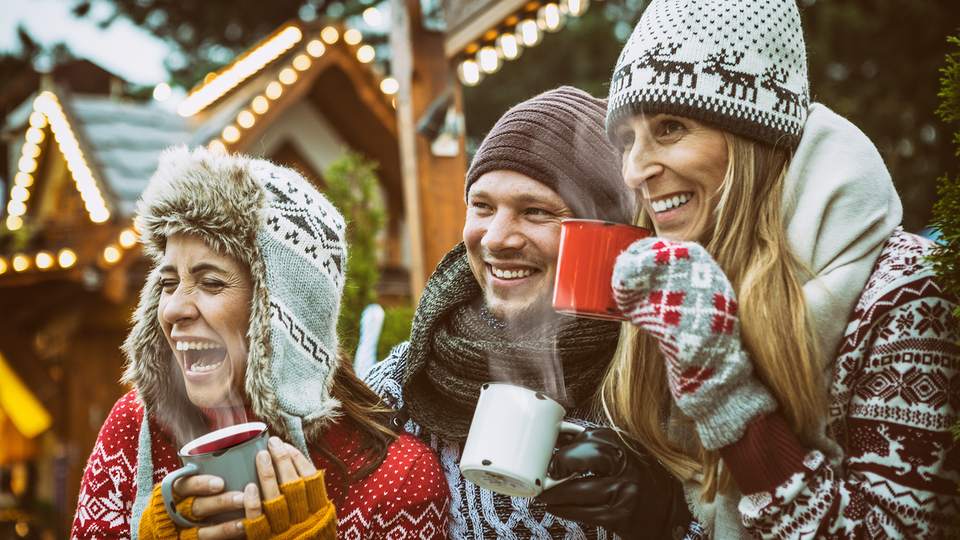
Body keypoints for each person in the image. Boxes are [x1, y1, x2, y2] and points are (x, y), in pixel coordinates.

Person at [537, 0, 960, 539]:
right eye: (626, 141)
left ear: (752, 137)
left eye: (670, 128)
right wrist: (661, 517)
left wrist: (729, 402)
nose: (636, 171)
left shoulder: (908, 290)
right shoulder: (688, 285)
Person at [70, 146, 449, 540]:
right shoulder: (136, 429)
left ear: (285, 311)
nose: (174, 309)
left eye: (211, 282)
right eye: (167, 283)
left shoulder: (399, 478)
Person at [365, 86, 660, 539]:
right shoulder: (404, 380)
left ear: (605, 233)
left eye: (536, 211)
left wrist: (668, 518)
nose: (496, 238)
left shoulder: (665, 377)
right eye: (482, 206)